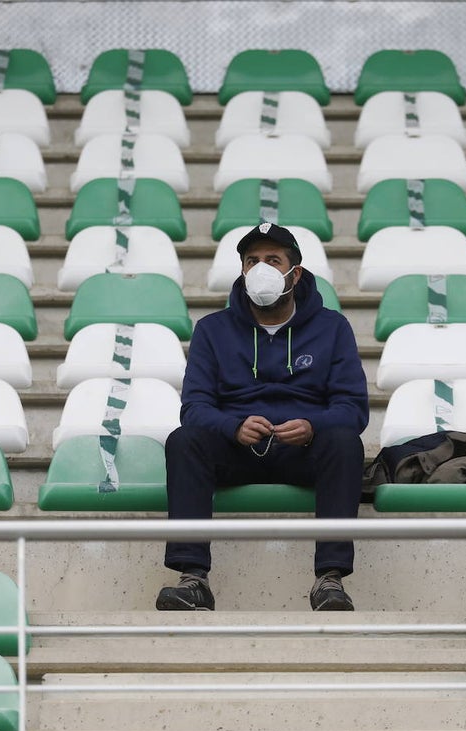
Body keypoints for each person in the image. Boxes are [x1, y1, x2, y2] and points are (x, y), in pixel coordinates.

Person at [156, 222, 370, 611]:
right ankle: (193, 579)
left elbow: (353, 407)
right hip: (237, 449)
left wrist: (312, 427)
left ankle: (330, 580)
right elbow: (194, 408)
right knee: (184, 441)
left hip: (301, 449)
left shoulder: (332, 327)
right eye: (252, 261)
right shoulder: (212, 330)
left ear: (295, 274)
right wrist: (233, 427)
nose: (261, 269)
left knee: (343, 441)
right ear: (242, 271)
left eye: (273, 260)